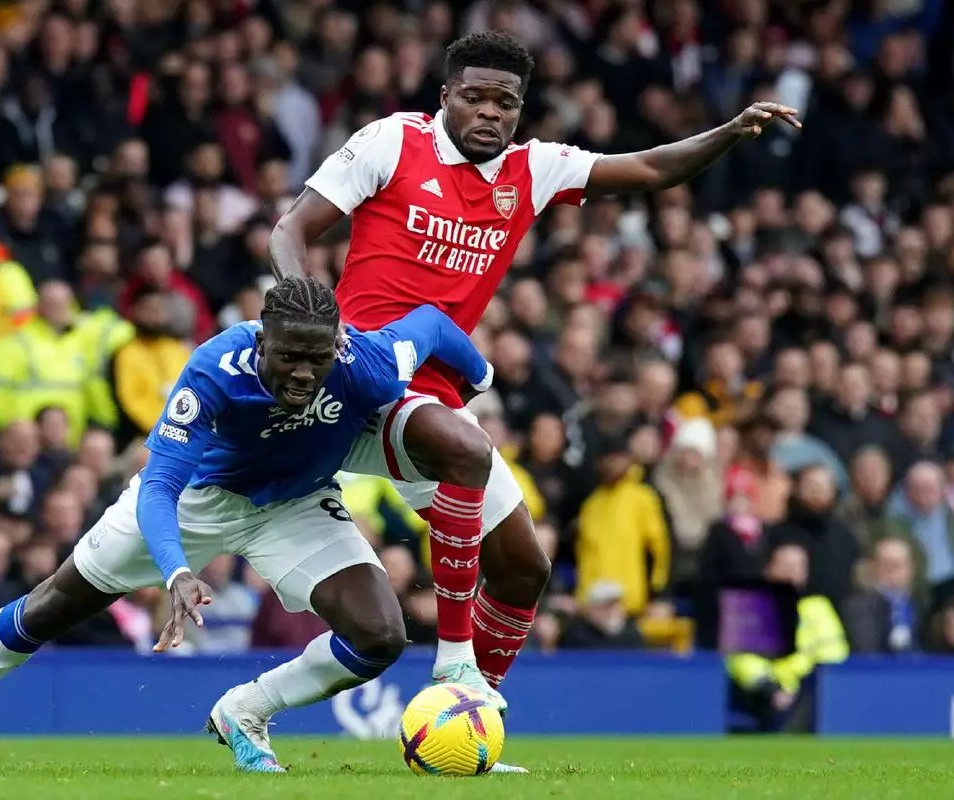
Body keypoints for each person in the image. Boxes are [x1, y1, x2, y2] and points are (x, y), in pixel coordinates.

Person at [269, 30, 800, 707]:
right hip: (362, 374)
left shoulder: (533, 169)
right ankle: (454, 666)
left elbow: (647, 170)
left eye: (505, 102)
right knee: (465, 449)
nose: (490, 112)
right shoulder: (392, 142)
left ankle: (464, 715)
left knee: (525, 568)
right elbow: (289, 231)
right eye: (475, 97)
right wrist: (310, 322)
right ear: (445, 97)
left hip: (433, 395)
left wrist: (727, 130)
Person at [0, 276, 497, 774]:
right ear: (262, 334)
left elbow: (433, 323)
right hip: (197, 502)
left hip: (292, 503)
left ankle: (245, 710)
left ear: (337, 342)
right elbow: (161, 484)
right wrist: (175, 569)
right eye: (288, 354)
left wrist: (479, 379)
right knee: (51, 607)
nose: (302, 371)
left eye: (317, 357)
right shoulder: (217, 371)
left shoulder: (364, 363)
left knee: (381, 636)